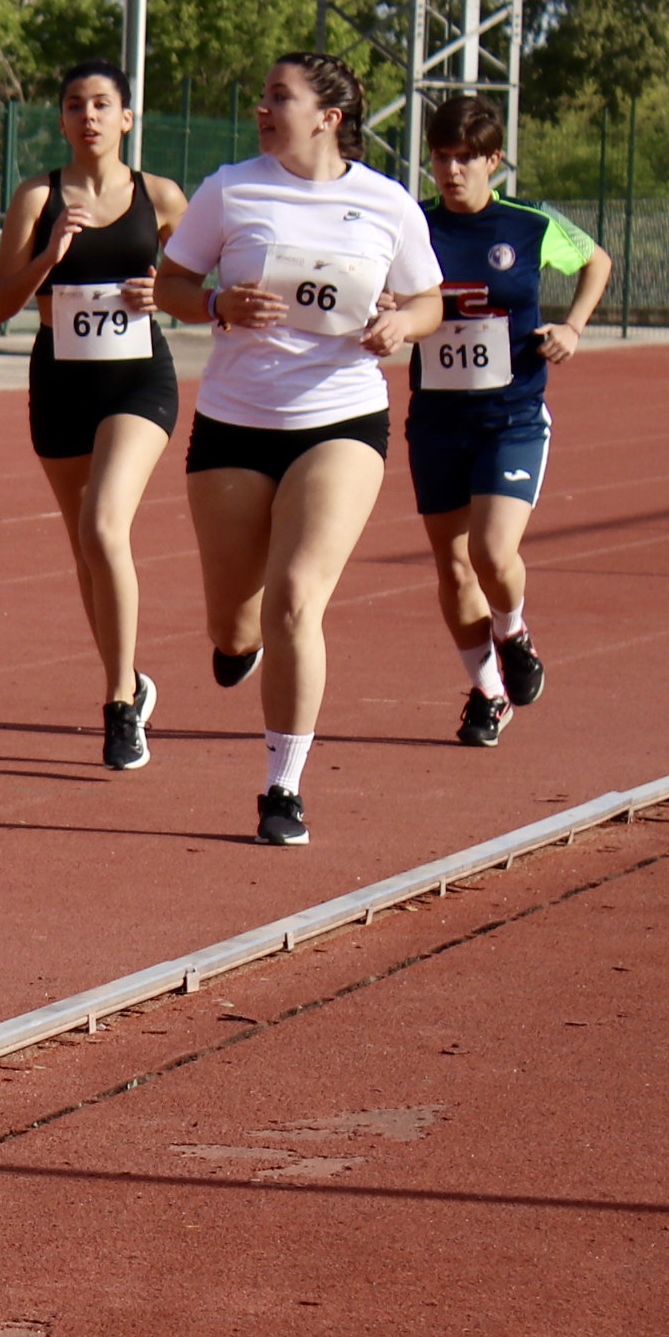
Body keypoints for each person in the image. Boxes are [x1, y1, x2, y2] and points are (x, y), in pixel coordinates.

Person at [155, 52, 445, 846]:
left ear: (329, 115)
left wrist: (400, 326)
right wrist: (217, 301)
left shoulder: (386, 204)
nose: (262, 108)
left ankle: (283, 786)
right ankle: (236, 643)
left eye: (279, 96)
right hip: (235, 421)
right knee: (235, 620)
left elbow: (429, 300)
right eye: (261, 95)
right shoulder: (230, 188)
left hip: (342, 418)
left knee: (294, 598)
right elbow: (171, 282)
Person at [0, 62, 195, 770]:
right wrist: (48, 257)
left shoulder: (159, 196)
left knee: (106, 524)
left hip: (139, 381)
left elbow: (203, 281)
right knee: (86, 547)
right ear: (63, 121)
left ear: (127, 119)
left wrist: (160, 290)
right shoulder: (38, 195)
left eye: (103, 104)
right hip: (61, 381)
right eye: (75, 105)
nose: (89, 116)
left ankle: (118, 703)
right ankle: (132, 678)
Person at [404, 94, 611, 747]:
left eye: (467, 158)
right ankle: (489, 694)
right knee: (453, 568)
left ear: (494, 160)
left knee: (493, 552)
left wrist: (572, 327)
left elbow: (597, 260)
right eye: (441, 156)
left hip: (512, 415)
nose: (452, 169)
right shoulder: (410, 225)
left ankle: (513, 631)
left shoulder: (531, 224)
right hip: (435, 418)